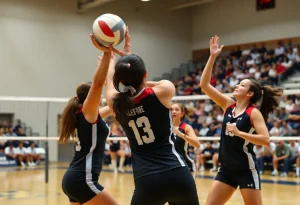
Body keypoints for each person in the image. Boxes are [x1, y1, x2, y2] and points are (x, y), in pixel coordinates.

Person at [100, 28, 199, 205]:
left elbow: (110, 84)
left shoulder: (115, 104)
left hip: (148, 180)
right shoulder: (164, 91)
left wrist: (112, 61)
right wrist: (129, 62)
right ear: (144, 75)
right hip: (179, 174)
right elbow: (145, 84)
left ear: (121, 81)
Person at [200, 35, 283, 205]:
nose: (237, 86)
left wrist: (240, 133)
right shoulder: (228, 105)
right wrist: (212, 57)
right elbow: (204, 85)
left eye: (242, 85)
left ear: (250, 94)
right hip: (226, 169)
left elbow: (265, 140)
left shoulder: (253, 113)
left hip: (246, 169)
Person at [60, 35, 118, 205]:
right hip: (82, 180)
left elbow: (114, 107)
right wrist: (106, 54)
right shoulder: (87, 111)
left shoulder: (86, 115)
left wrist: (113, 70)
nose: (100, 94)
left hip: (73, 178)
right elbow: (98, 82)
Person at [171, 103, 200, 178]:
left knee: (187, 190)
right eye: (171, 109)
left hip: (185, 164)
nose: (173, 111)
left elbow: (197, 144)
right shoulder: (165, 127)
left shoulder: (186, 127)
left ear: (182, 113)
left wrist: (181, 135)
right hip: (169, 165)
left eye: (176, 110)